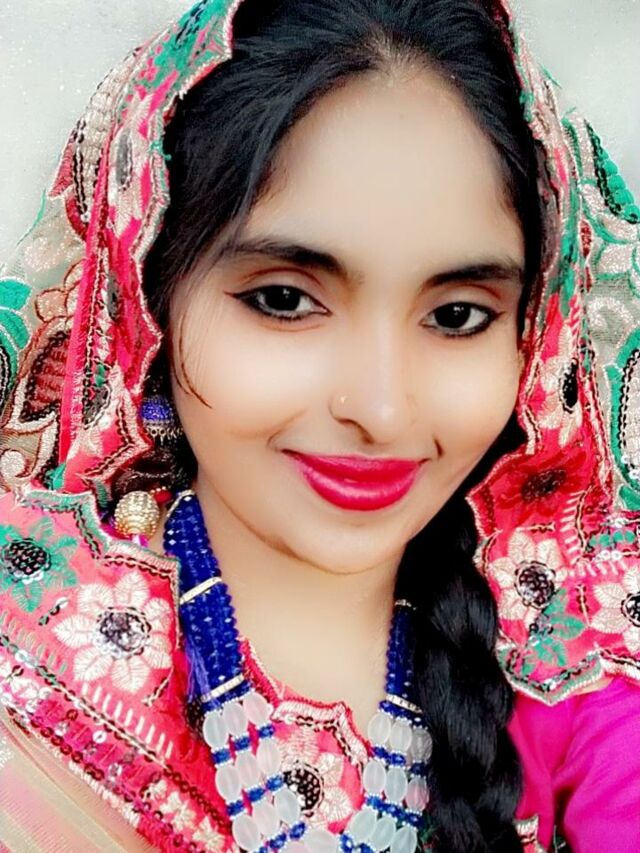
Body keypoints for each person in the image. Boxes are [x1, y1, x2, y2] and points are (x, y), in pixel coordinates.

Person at [0, 0, 639, 851]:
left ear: (540, 333)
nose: (381, 407)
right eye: (284, 299)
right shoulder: (31, 660)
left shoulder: (585, 673)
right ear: (143, 299)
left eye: (456, 315)